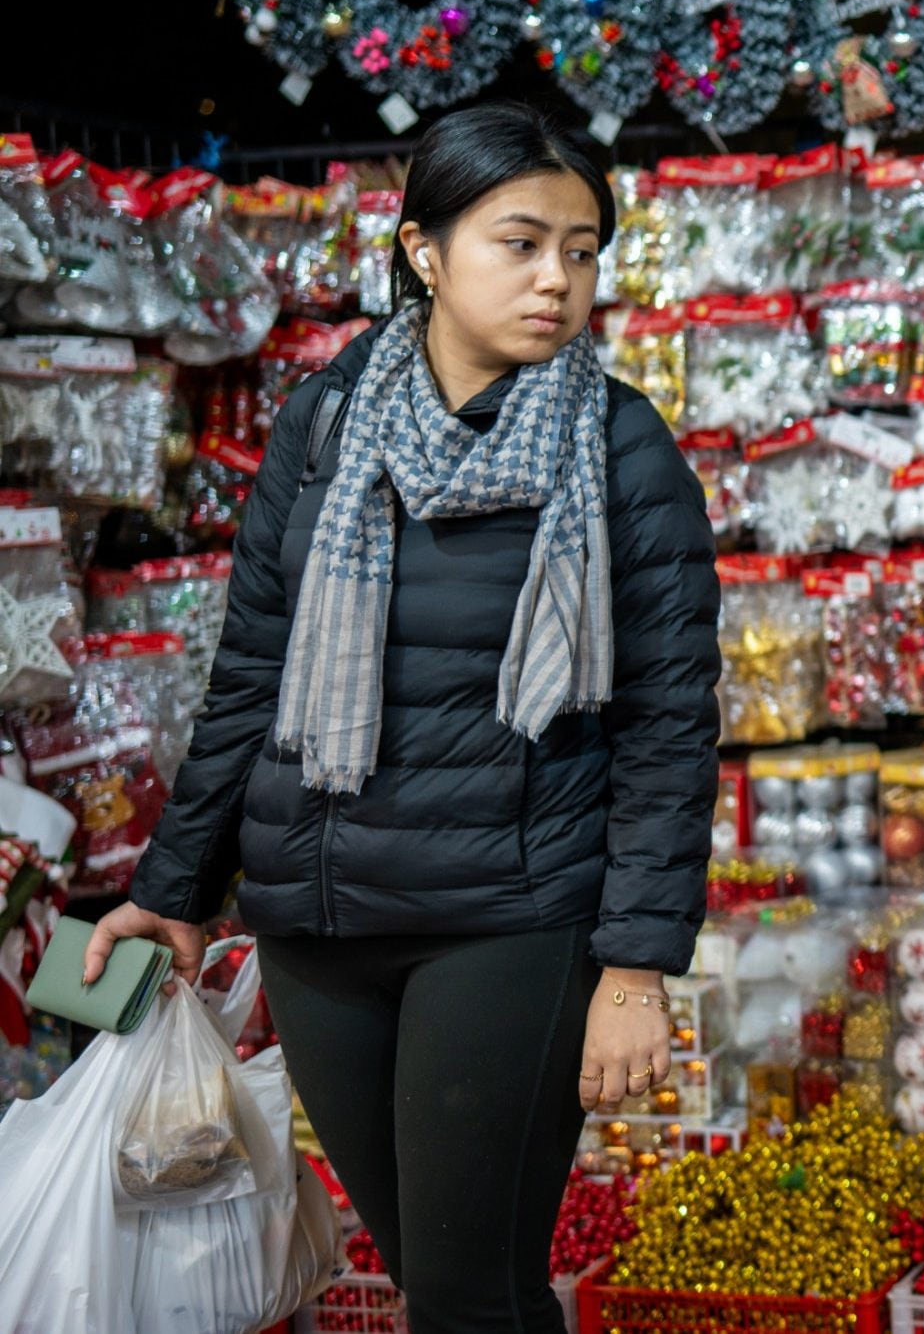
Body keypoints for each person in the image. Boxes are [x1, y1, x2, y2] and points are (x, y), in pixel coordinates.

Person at [89, 102, 721, 1333]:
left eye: (584, 250)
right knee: (441, 1284)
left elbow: (668, 725)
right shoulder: (327, 425)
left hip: (506, 925)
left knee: (466, 1299)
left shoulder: (620, 448)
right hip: (319, 924)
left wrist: (636, 964)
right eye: (522, 243)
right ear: (425, 251)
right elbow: (250, 676)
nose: (558, 280)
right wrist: (173, 888)